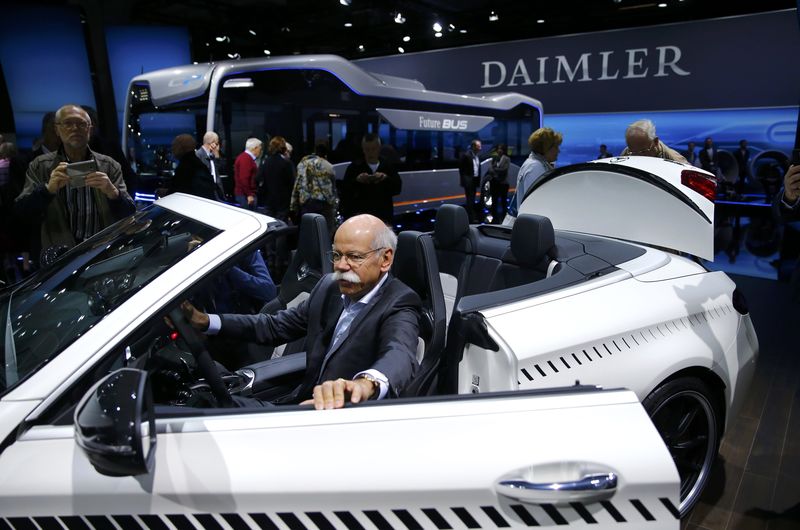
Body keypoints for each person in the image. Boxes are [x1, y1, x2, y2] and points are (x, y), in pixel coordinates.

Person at [181, 214, 421, 409]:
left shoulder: (400, 302)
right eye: (336, 255)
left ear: (385, 259)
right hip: (302, 402)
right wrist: (205, 321)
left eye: (354, 257)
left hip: (342, 420)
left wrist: (364, 384)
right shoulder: (329, 287)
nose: (340, 265)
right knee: (207, 406)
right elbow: (274, 326)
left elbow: (400, 354)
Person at [14, 104, 135, 258]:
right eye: (68, 123)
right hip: (60, 256)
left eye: (81, 124)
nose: (75, 128)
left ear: (90, 129)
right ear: (57, 130)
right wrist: (47, 190)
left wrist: (113, 193)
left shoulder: (109, 165)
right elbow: (22, 213)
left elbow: (129, 213)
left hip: (102, 252)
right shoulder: (40, 166)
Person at [505, 127, 563, 224]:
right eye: (556, 147)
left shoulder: (536, 164)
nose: (558, 151)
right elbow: (534, 204)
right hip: (530, 227)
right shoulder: (535, 168)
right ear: (546, 148)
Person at [340, 133, 402, 224]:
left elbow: (397, 188)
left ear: (379, 148)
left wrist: (385, 179)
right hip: (361, 217)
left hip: (383, 216)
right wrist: (357, 180)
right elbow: (344, 191)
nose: (370, 153)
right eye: (367, 149)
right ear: (363, 149)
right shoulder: (354, 167)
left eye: (373, 149)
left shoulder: (387, 166)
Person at [290, 143, 338, 231]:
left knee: (308, 231)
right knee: (325, 231)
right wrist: (334, 204)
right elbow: (333, 188)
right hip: (324, 203)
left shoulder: (302, 164)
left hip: (307, 202)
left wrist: (293, 205)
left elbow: (297, 185)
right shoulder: (328, 166)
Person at [169, 134, 219, 200]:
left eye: (174, 146)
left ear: (181, 147)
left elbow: (178, 190)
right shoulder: (196, 162)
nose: (172, 149)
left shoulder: (185, 167)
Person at [258, 136, 295, 221]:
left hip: (268, 201)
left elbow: (258, 178)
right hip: (283, 202)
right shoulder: (286, 163)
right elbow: (292, 182)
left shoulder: (265, 162)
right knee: (281, 227)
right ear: (283, 147)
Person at [619, 119, 688, 163]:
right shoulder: (627, 153)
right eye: (633, 152)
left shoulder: (676, 161)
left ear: (655, 142)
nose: (637, 156)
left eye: (643, 152)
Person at [458, 139, 482, 222]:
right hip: (469, 181)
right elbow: (462, 169)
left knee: (472, 199)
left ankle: (471, 216)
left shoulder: (477, 156)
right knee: (470, 199)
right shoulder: (466, 155)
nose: (480, 148)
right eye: (478, 146)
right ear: (473, 146)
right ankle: (470, 218)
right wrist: (466, 181)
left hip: (475, 180)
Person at [196, 131, 225, 200]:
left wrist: (217, 154)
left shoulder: (212, 154)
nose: (218, 146)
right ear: (212, 143)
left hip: (215, 192)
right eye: (217, 143)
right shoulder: (198, 155)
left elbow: (220, 169)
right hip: (205, 194)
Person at [234, 138, 262, 210]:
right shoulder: (246, 159)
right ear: (255, 148)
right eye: (259, 148)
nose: (260, 151)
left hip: (245, 195)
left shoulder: (245, 157)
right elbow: (244, 179)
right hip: (245, 197)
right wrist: (249, 195)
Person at [486, 143, 510, 223]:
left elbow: (504, 170)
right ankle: (494, 219)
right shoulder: (495, 158)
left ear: (503, 150)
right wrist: (495, 171)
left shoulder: (506, 159)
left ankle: (504, 219)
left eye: (501, 149)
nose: (499, 150)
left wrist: (495, 170)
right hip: (494, 183)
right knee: (494, 201)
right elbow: (490, 169)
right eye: (498, 149)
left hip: (503, 183)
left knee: (503, 202)